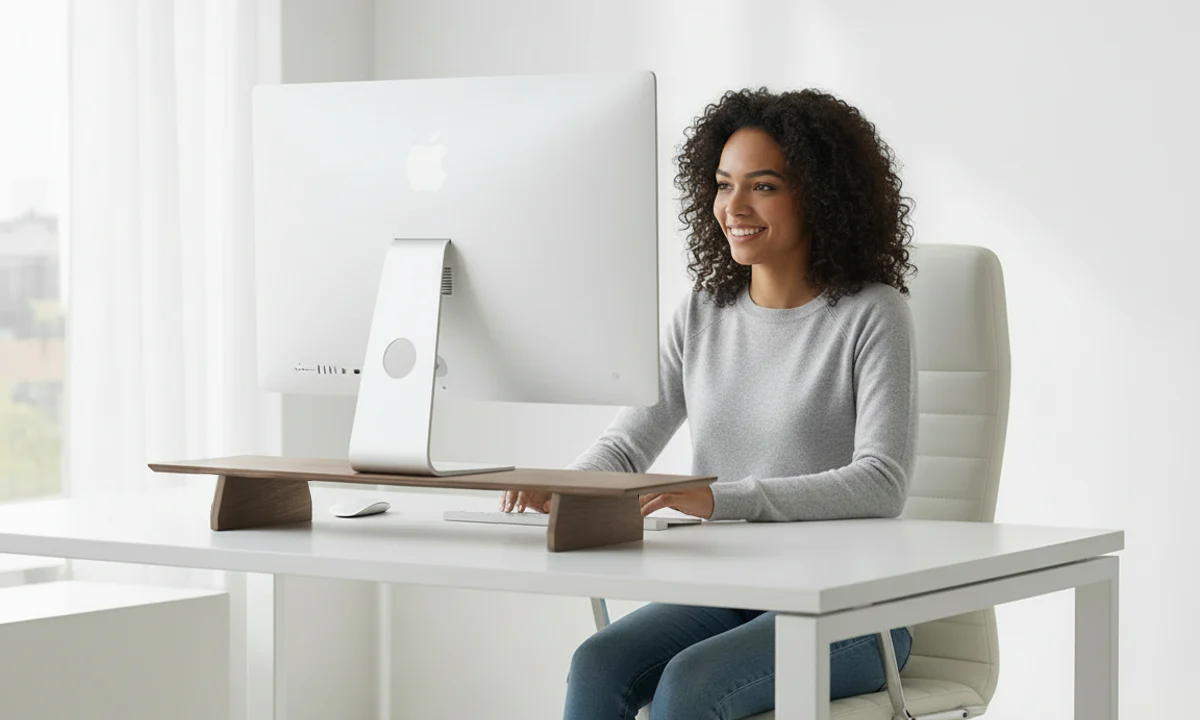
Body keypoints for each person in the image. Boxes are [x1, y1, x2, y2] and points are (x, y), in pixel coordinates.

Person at [501, 87, 919, 720]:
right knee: (597, 664)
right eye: (724, 185)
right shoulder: (702, 313)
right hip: (726, 592)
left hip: (850, 610)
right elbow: (627, 445)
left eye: (764, 186)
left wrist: (723, 499)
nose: (735, 207)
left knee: (689, 686)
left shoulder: (872, 314)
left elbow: (882, 483)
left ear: (820, 194)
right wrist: (565, 487)